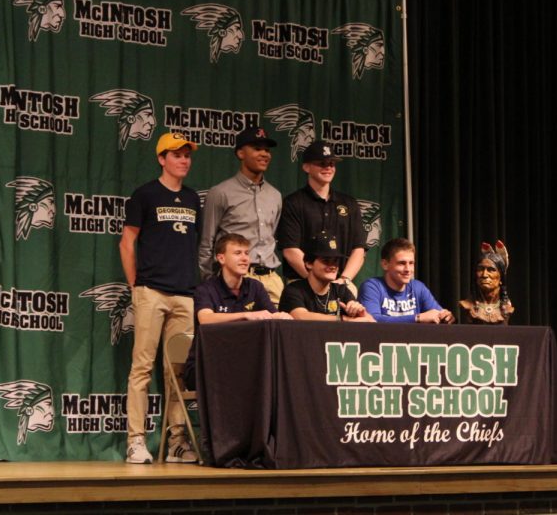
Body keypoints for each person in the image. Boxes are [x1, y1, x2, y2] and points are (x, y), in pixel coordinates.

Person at [120, 132, 202, 464]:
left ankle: (177, 442)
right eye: (176, 154)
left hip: (184, 295)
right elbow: (127, 242)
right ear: (161, 159)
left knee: (178, 372)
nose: (184, 159)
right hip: (151, 291)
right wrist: (135, 287)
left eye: (187, 155)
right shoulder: (145, 194)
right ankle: (136, 440)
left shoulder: (195, 198)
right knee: (141, 367)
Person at [184, 233, 291, 391]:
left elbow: (272, 314)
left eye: (247, 253)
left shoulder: (255, 287)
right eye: (237, 253)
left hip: (241, 363)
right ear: (221, 258)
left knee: (273, 373)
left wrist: (283, 316)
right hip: (206, 365)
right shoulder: (206, 289)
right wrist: (246, 315)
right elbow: (205, 319)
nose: (244, 259)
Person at [198, 126, 284, 304]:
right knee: (238, 331)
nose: (264, 154)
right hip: (235, 279)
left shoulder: (275, 195)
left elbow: (272, 236)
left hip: (271, 280)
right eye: (257, 148)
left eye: (267, 150)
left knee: (277, 330)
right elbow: (207, 243)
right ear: (240, 153)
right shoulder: (220, 192)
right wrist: (211, 283)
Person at [276, 141, 367, 294]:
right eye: (322, 163)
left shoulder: (349, 203)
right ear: (306, 167)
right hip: (303, 283)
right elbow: (290, 250)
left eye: (331, 164)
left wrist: (344, 280)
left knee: (357, 316)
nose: (328, 168)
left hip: (341, 283)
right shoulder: (293, 202)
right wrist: (315, 280)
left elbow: (359, 249)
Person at [279, 235, 375, 322]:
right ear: (309, 263)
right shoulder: (294, 290)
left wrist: (358, 311)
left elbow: (370, 320)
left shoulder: (341, 290)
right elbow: (300, 316)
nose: (333, 266)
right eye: (326, 261)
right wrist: (342, 319)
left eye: (335, 261)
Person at [359, 238, 454, 324]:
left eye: (411, 263)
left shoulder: (418, 287)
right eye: (402, 263)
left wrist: (445, 316)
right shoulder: (372, 286)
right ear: (385, 264)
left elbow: (437, 314)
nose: (408, 269)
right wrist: (417, 318)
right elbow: (372, 320)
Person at [459, 240, 514, 325]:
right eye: (481, 269)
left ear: (501, 278)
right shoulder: (467, 305)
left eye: (491, 270)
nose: (484, 274)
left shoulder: (507, 308)